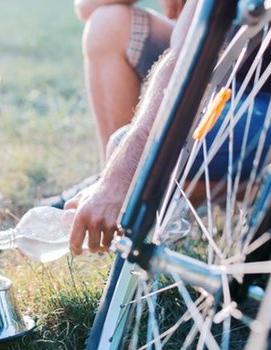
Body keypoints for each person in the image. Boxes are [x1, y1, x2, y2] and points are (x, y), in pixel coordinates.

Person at [67, 0, 197, 255]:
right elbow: (85, 5)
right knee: (107, 24)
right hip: (196, 43)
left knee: (192, 46)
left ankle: (134, 185)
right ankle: (112, 192)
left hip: (265, 62)